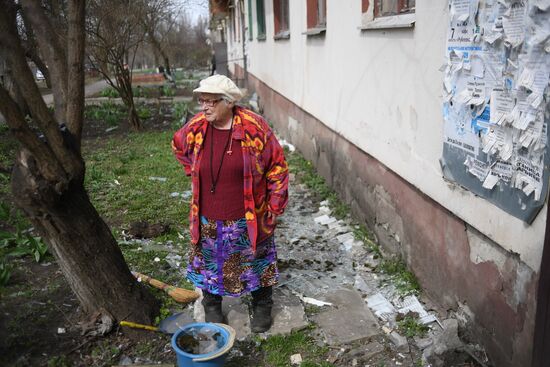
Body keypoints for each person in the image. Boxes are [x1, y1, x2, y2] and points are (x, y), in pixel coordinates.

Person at [171, 74, 289, 333]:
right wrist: (193, 170)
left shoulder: (253, 128)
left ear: (228, 102)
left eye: (211, 102)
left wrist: (274, 207)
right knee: (209, 264)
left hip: (249, 216)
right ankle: (212, 305)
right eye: (202, 101)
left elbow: (277, 168)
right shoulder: (197, 127)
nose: (205, 107)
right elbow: (178, 145)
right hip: (208, 217)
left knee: (257, 263)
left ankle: (262, 305)